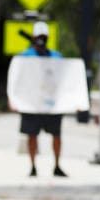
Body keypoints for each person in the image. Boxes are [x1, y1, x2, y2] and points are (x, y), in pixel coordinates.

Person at [18, 21, 67, 178]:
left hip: (51, 105)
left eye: (43, 37)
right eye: (39, 37)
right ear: (33, 37)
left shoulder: (56, 57)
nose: (41, 39)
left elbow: (65, 79)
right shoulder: (25, 57)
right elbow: (18, 80)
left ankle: (57, 165)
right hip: (32, 104)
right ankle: (32, 166)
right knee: (32, 135)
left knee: (56, 135)